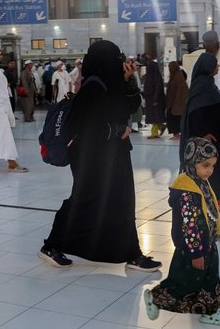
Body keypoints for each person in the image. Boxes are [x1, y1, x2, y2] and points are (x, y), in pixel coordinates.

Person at [39, 40, 161, 272]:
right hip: (91, 158)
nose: (120, 64)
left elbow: (131, 106)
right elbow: (84, 125)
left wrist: (129, 81)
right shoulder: (93, 87)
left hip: (114, 155)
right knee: (84, 201)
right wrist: (116, 129)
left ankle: (132, 253)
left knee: (122, 201)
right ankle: (51, 245)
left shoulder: (113, 84)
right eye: (116, 60)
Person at [144, 137, 220, 326]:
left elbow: (207, 212)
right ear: (192, 163)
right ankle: (156, 298)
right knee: (184, 282)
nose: (210, 170)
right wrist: (196, 252)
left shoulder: (199, 182)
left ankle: (209, 311)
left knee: (210, 278)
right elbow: (189, 225)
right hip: (193, 248)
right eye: (205, 165)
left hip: (206, 244)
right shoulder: (186, 192)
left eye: (213, 166)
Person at [180, 41, 220, 206]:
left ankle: (218, 192)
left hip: (218, 134)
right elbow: (195, 113)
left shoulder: (208, 84)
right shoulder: (203, 85)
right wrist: (203, 134)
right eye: (214, 64)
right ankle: (213, 192)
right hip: (210, 138)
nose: (217, 67)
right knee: (209, 165)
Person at [143, 58, 166, 139]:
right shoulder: (150, 75)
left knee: (154, 116)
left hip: (155, 100)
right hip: (150, 99)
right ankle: (161, 127)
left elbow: (158, 87)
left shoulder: (155, 75)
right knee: (154, 116)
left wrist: (155, 99)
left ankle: (154, 133)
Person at [165, 61, 188, 140]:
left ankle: (177, 134)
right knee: (176, 119)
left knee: (175, 119)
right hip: (177, 104)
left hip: (176, 104)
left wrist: (170, 103)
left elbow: (176, 92)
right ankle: (177, 134)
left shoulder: (177, 78)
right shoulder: (177, 77)